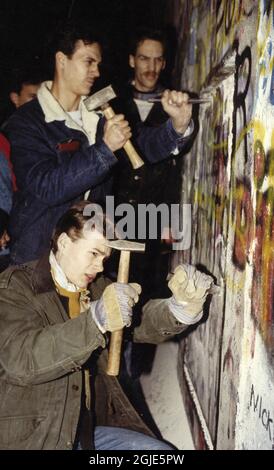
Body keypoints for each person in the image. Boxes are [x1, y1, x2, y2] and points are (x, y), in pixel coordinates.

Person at [0, 201, 213, 450]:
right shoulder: (14, 287)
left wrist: (180, 307)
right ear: (64, 243)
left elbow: (138, 321)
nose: (100, 267)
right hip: (34, 438)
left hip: (84, 434)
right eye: (93, 253)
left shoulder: (97, 287)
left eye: (106, 257)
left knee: (159, 454)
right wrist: (95, 321)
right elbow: (22, 358)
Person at [5, 20, 193, 266]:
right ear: (62, 60)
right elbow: (46, 186)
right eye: (88, 62)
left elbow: (143, 145)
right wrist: (104, 150)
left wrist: (178, 125)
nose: (96, 72)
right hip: (37, 257)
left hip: (87, 259)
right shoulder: (27, 121)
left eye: (98, 64)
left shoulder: (99, 116)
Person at [111, 28, 198, 379]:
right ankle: (108, 374)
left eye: (157, 59)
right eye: (143, 58)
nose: (150, 66)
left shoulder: (174, 102)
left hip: (152, 218)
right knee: (110, 292)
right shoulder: (114, 102)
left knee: (143, 296)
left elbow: (179, 148)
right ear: (132, 60)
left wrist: (171, 221)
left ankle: (131, 378)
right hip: (111, 215)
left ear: (164, 62)